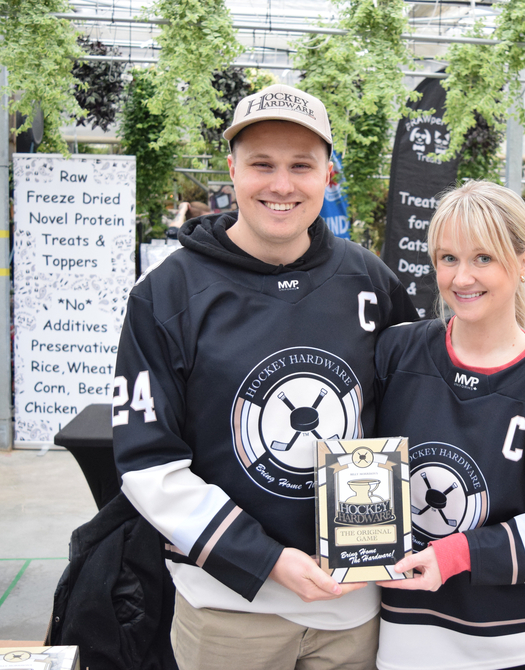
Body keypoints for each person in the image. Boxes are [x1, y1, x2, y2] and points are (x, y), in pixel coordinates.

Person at [111, 84, 417, 670]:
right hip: (226, 612)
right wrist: (266, 558)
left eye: (301, 165)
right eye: (262, 165)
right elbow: (148, 462)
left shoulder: (371, 284)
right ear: (232, 170)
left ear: (327, 174)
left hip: (351, 608)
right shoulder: (166, 295)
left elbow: (414, 414)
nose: (282, 185)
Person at [374, 181, 525, 670]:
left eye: (483, 258)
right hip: (404, 637)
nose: (462, 277)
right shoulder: (396, 354)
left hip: (515, 646)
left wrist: (461, 553)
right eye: (447, 258)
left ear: (523, 262)